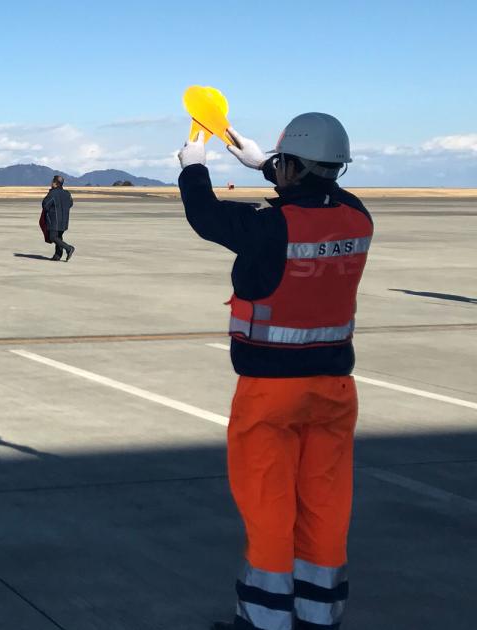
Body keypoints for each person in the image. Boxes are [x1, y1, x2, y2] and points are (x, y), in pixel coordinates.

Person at [178, 113, 372, 630]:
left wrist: (193, 167)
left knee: (269, 507)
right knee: (326, 506)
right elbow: (316, 194)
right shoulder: (358, 218)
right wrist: (264, 161)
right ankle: (317, 614)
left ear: (295, 165)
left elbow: (206, 216)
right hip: (334, 389)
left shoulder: (270, 226)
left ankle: (264, 620)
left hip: (270, 391)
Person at [41, 175, 74, 261]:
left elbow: (45, 205)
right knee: (59, 237)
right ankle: (57, 255)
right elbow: (70, 204)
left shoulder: (53, 193)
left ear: (55, 183)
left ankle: (68, 248)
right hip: (64, 220)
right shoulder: (67, 193)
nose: (51, 183)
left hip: (54, 220)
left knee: (53, 237)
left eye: (52, 181)